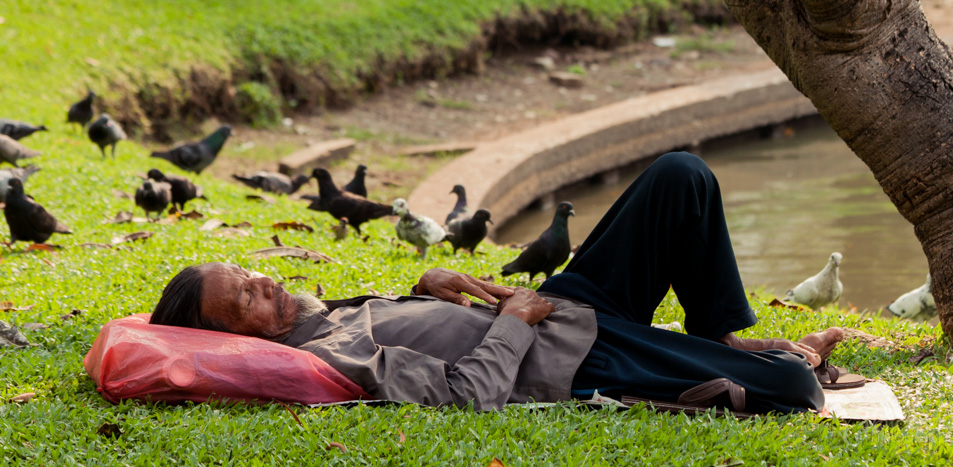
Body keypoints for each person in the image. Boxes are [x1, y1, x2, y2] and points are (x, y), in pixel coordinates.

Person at [150, 152, 844, 413]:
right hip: (571, 351)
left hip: (568, 304)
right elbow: (466, 394)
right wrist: (514, 318)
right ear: (234, 339)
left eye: (248, 272)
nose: (262, 282)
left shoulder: (319, 313)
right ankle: (791, 354)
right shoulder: (328, 357)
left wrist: (426, 285)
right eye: (242, 297)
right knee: (791, 386)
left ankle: (716, 337)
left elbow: (419, 327)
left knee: (681, 175)